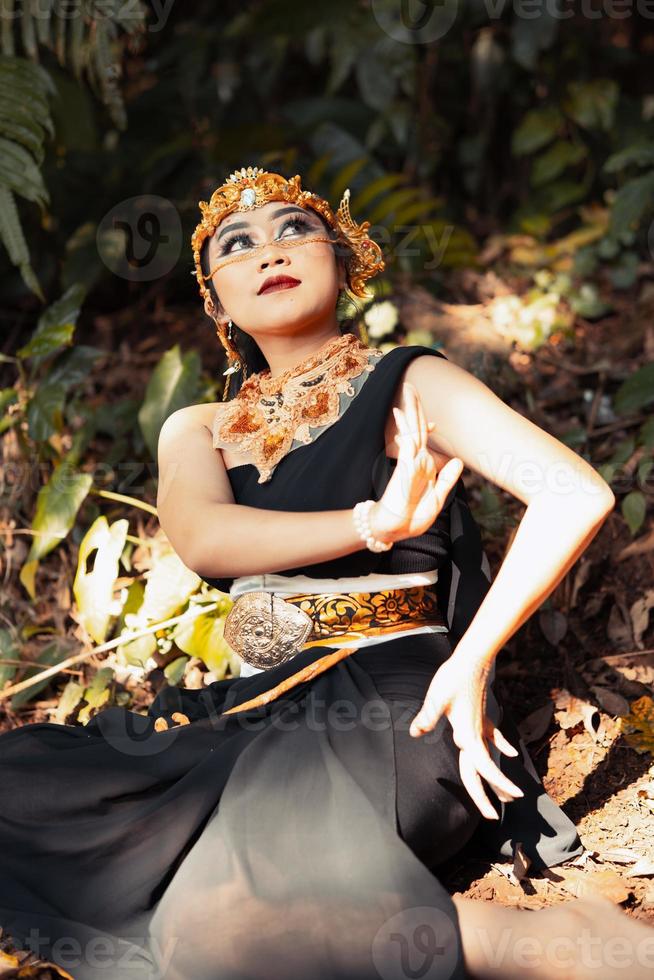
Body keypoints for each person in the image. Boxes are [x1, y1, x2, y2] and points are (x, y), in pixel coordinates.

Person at [0, 166, 652, 980]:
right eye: (236, 244)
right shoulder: (195, 427)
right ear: (217, 298)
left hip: (389, 703)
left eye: (293, 230)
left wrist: (471, 659)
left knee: (220, 935)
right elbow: (203, 538)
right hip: (247, 711)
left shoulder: (406, 381)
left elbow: (574, 493)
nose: (267, 248)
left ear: (346, 264)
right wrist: (370, 523)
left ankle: (550, 946)